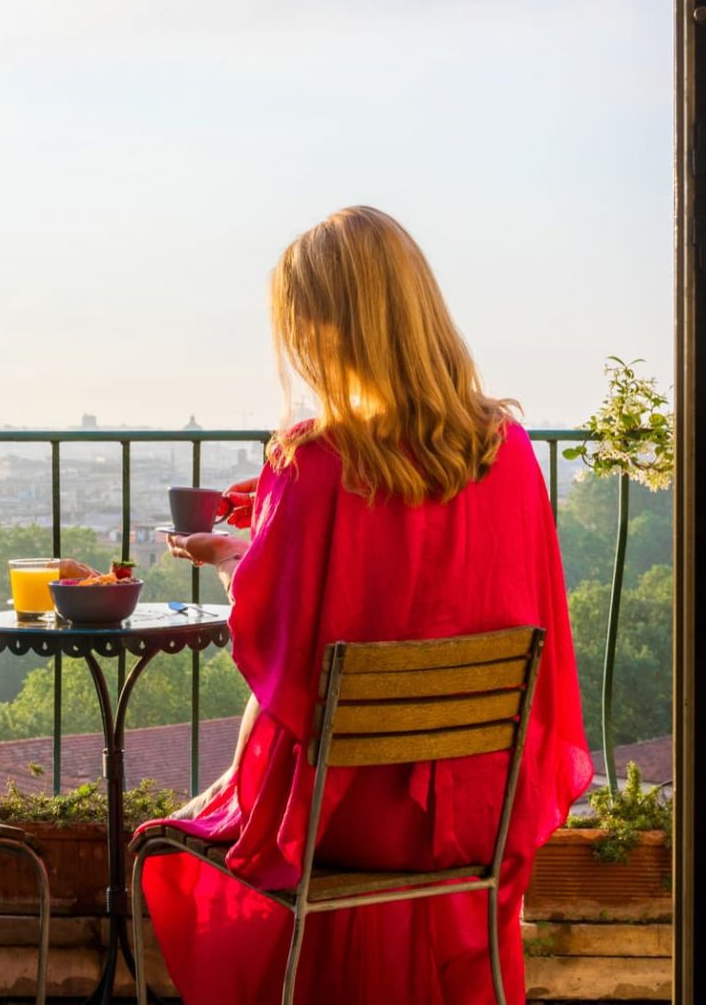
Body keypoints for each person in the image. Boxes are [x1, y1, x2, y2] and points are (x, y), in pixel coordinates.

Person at [141, 206, 590, 1005]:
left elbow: (275, 648)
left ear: (326, 326)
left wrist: (232, 560)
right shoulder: (508, 452)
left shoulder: (312, 458)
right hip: (476, 808)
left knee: (197, 824)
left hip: (345, 823)